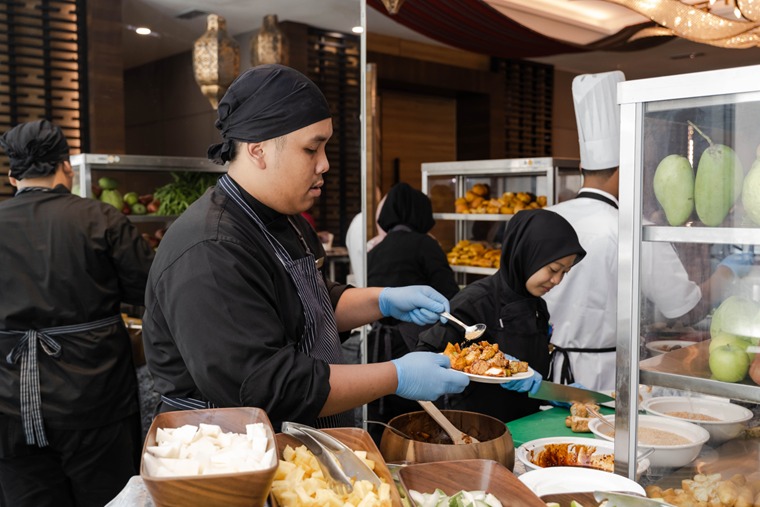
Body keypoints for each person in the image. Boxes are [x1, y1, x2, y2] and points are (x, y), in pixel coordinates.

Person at [142, 64, 469, 431]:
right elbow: (266, 386)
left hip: (302, 434)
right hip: (228, 448)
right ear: (258, 150)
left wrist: (382, 300)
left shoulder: (288, 219)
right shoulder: (210, 250)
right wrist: (396, 376)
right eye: (312, 149)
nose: (325, 164)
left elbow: (311, 304)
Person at [543, 71, 751, 391]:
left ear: (582, 168)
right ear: (625, 169)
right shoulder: (632, 228)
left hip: (548, 375)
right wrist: (728, 272)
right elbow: (685, 309)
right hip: (605, 382)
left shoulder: (546, 218)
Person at [0, 120, 155, 507]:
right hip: (94, 399)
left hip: (8, 403)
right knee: (110, 499)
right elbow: (150, 289)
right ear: (65, 166)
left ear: (12, 176)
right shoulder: (101, 218)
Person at [416, 209, 587, 422]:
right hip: (474, 427)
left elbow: (531, 374)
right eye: (553, 269)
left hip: (524, 426)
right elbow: (424, 355)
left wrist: (551, 392)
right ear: (526, 255)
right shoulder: (474, 301)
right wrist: (492, 365)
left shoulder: (538, 308)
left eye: (564, 272)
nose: (557, 281)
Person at [365, 182, 460, 433]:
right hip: (414, 344)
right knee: (419, 421)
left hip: (377, 347)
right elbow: (450, 294)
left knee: (384, 420)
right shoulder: (425, 244)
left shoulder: (375, 249)